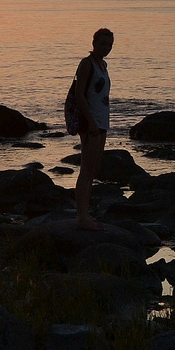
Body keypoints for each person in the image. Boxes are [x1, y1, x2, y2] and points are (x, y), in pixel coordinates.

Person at [70, 28, 114, 231]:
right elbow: (79, 95)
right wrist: (91, 122)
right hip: (91, 123)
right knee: (86, 170)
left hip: (101, 122)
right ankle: (82, 216)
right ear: (94, 43)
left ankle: (86, 212)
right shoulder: (87, 64)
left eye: (109, 44)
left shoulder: (103, 65)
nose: (106, 47)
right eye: (102, 43)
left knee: (94, 169)